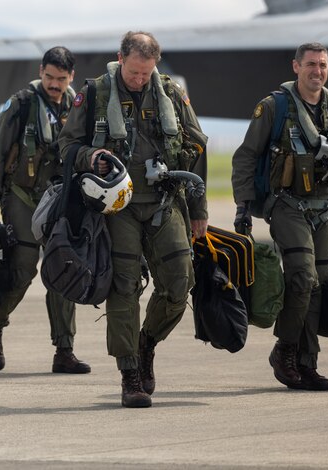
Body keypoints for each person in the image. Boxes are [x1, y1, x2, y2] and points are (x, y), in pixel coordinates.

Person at [58, 31, 209, 408]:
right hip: (116, 206)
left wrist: (200, 210)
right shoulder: (93, 94)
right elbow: (67, 145)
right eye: (135, 72)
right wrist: (91, 157)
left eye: (146, 74)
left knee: (180, 283)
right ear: (120, 58)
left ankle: (147, 344)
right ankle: (130, 374)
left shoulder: (172, 95)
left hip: (164, 200)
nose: (140, 80)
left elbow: (197, 144)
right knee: (124, 287)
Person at [231, 42, 328, 391]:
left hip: (326, 208)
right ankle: (285, 350)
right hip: (287, 205)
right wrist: (243, 206)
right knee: (303, 279)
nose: (317, 71)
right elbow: (245, 157)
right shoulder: (274, 108)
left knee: (318, 287)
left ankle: (307, 363)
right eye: (310, 65)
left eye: (322, 65)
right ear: (295, 67)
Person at [0, 46, 90, 374]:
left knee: (65, 268)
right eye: (49, 77)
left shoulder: (78, 106)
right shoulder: (22, 105)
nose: (54, 84)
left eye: (61, 78)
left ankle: (64, 350)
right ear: (41, 71)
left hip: (59, 198)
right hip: (22, 197)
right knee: (25, 268)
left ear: (71, 76)